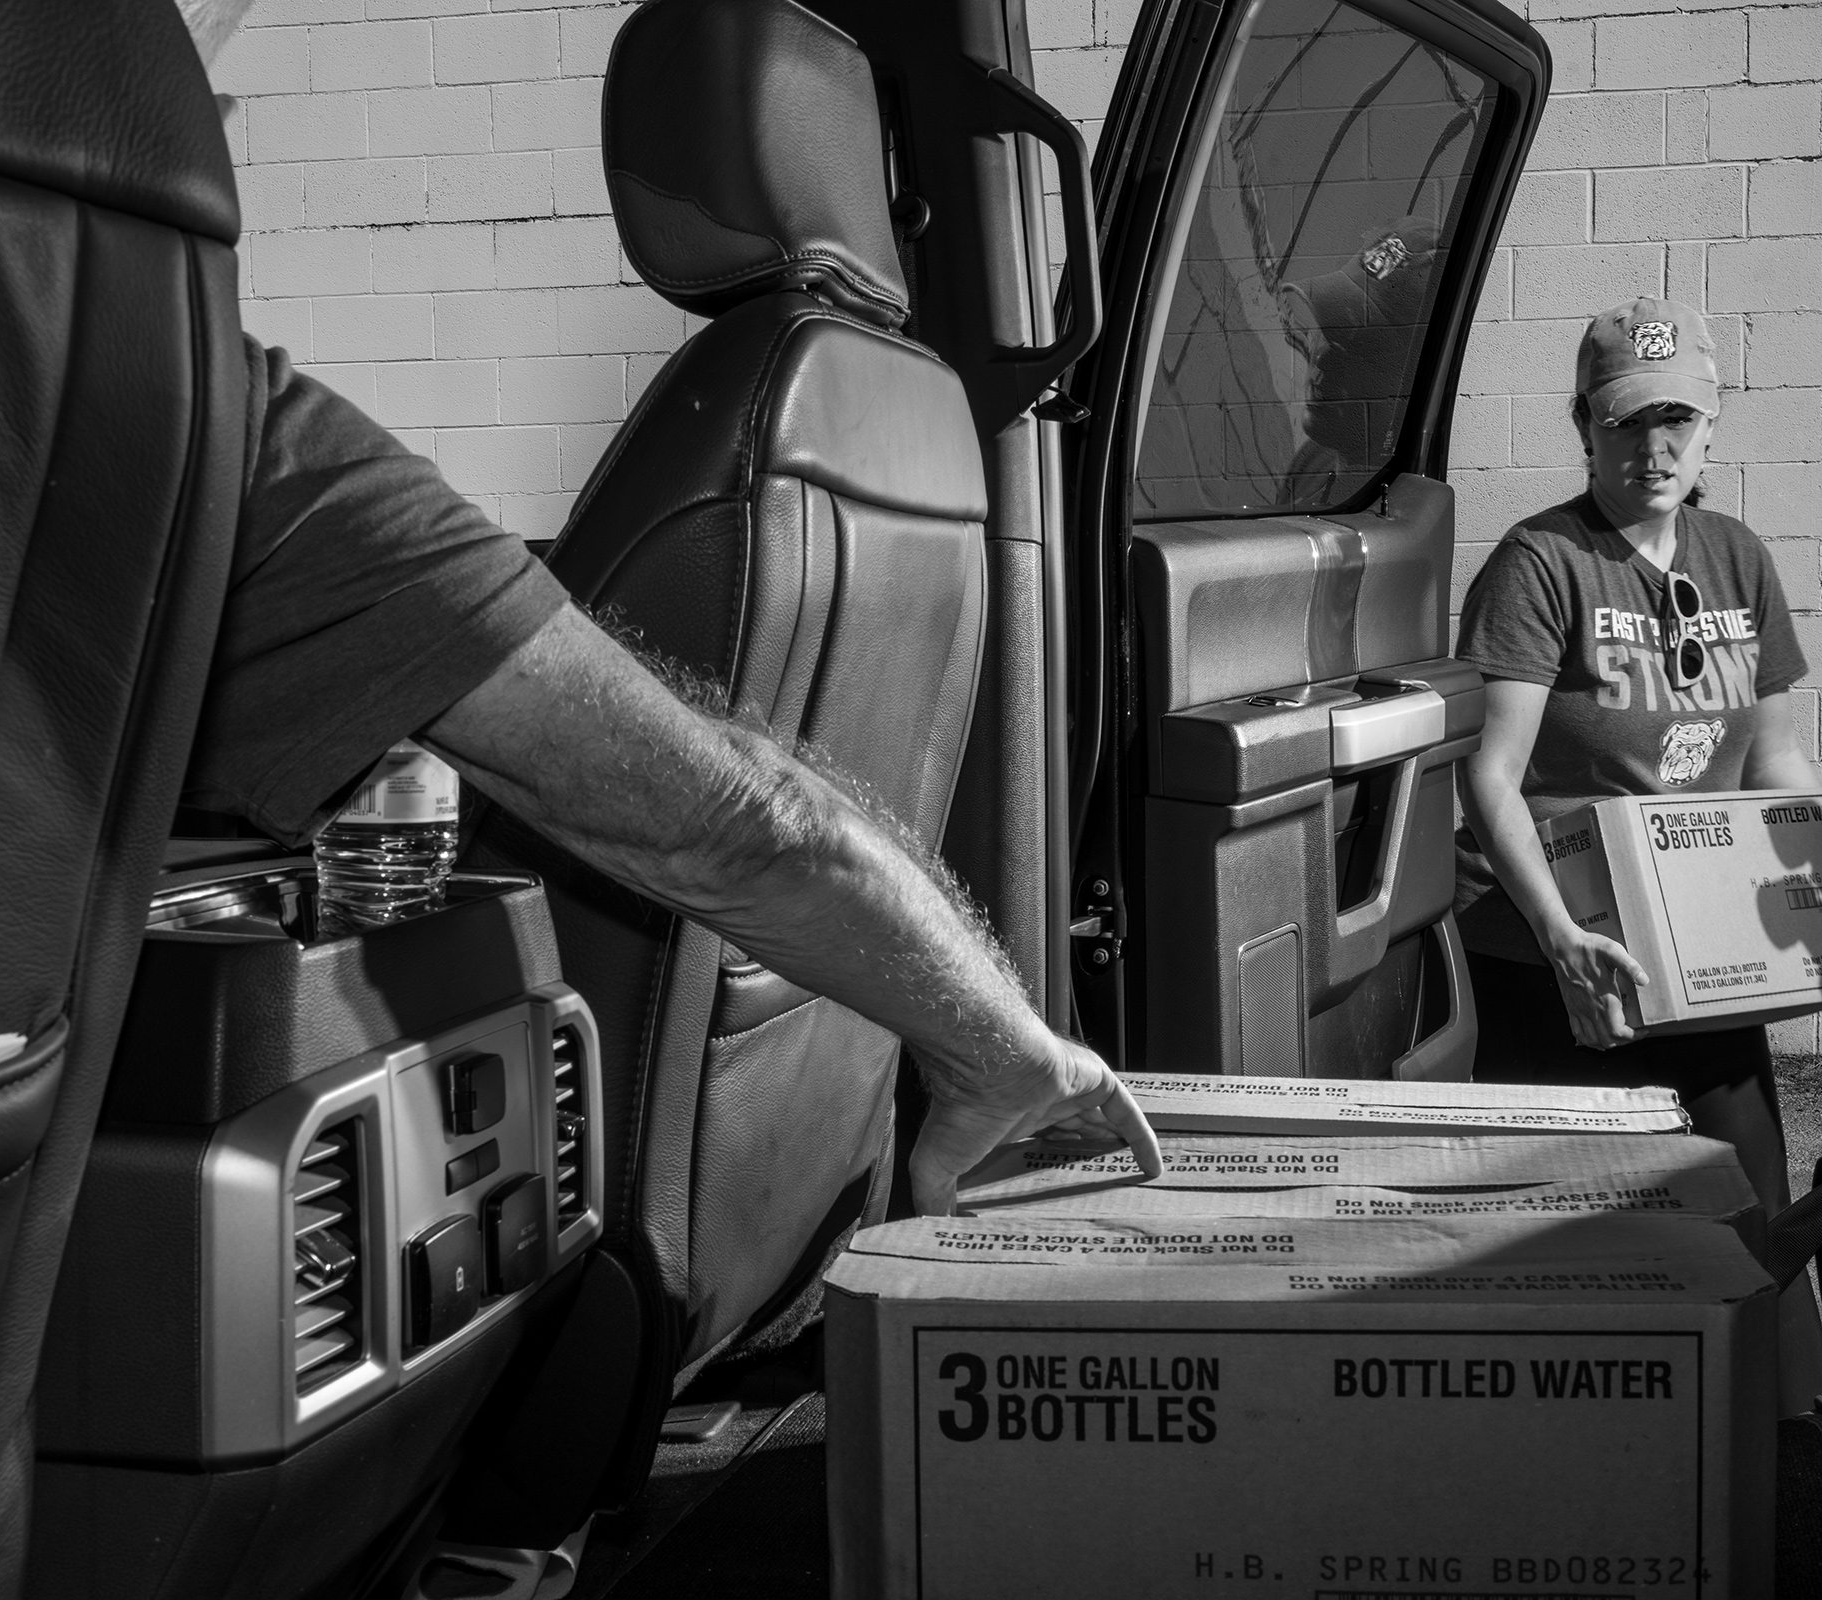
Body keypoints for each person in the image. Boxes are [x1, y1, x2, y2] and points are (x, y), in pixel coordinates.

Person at [168, 0, 1158, 1216]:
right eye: (204, 76)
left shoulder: (208, 436)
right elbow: (754, 822)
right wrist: (997, 1034)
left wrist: (998, 1047)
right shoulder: (919, 423)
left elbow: (731, 820)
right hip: (753, 1199)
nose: (215, 128)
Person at [1450, 297, 1822, 1403]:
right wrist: (1560, 936)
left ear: (1713, 427)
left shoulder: (1736, 560)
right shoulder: (1543, 564)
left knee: (1751, 1231)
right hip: (1553, 969)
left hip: (1700, 963)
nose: (1652, 448)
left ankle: (1770, 1444)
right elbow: (1489, 778)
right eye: (1624, 423)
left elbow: (1776, 767)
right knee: (1559, 1260)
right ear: (1583, 426)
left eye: (1676, 420)